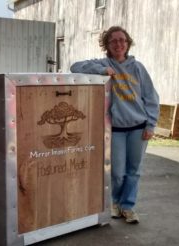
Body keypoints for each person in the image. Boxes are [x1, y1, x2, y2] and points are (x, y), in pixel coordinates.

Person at [70, 26, 160, 224]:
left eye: (122, 40)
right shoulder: (103, 63)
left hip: (138, 127)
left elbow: (151, 98)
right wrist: (102, 70)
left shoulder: (138, 68)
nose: (119, 44)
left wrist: (151, 125)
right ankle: (116, 202)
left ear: (127, 44)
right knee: (117, 172)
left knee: (134, 170)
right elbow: (75, 67)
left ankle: (128, 207)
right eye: (114, 41)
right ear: (107, 45)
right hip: (116, 129)